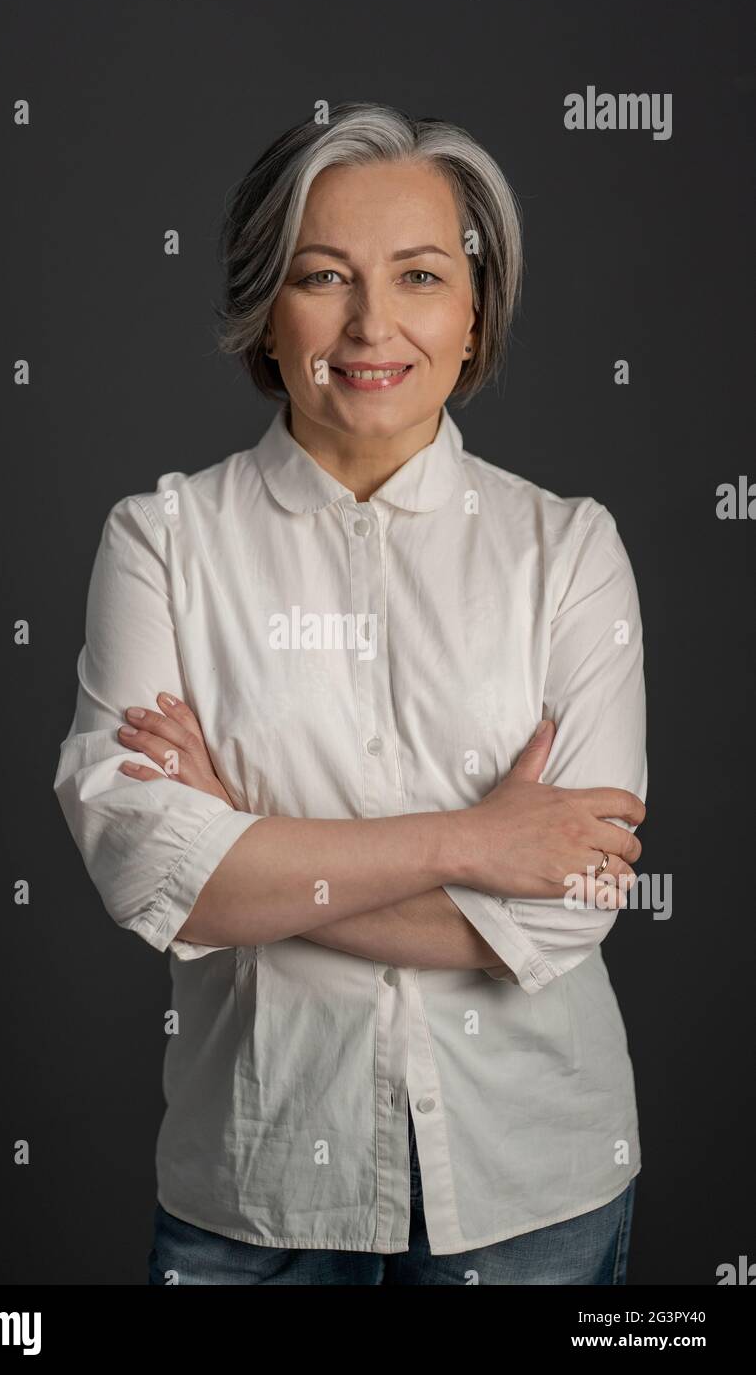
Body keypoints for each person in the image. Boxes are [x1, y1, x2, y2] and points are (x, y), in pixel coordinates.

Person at [54, 101, 647, 1285]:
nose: (372, 323)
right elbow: (143, 867)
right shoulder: (160, 543)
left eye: (419, 275)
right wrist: (473, 842)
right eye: (323, 277)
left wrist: (242, 854)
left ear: (472, 315)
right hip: (256, 1201)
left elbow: (568, 902)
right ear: (263, 316)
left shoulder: (568, 551)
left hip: (533, 1193)